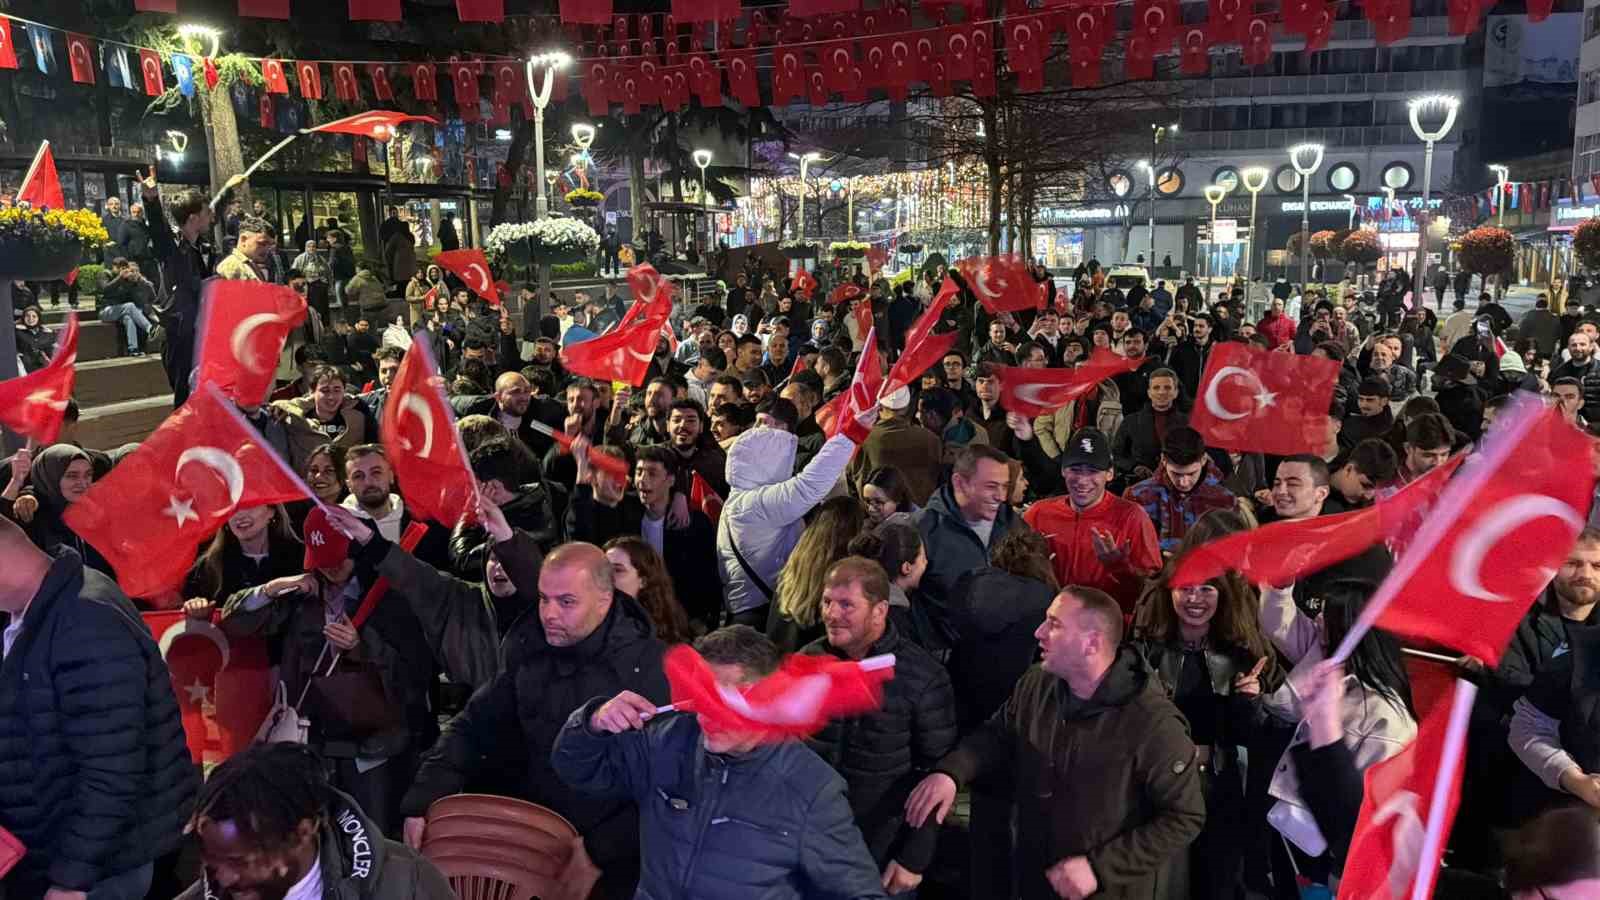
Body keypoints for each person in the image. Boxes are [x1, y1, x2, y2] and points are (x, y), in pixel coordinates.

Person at [400, 542, 667, 900]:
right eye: (543, 598)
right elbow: (473, 725)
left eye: (566, 602)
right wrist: (423, 797)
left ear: (605, 600)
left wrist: (599, 851)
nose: (549, 614)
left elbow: (667, 787)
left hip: (604, 868)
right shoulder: (530, 649)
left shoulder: (652, 670)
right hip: (526, 843)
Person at [906, 587, 1205, 900]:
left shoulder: (1152, 722)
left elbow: (1184, 816)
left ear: (1092, 643)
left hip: (1109, 888)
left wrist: (1099, 868)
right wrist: (951, 773)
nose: (1039, 632)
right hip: (1039, 876)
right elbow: (999, 733)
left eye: (1054, 624)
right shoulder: (1037, 683)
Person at [554, 625, 892, 900]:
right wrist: (592, 722)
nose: (709, 715)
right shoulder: (666, 741)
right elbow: (576, 769)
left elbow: (861, 893)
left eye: (728, 701)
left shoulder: (811, 790)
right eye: (703, 695)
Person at [0, 514, 199, 899]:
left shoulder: (85, 620)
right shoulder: (40, 609)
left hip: (101, 867)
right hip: (57, 850)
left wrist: (71, 880)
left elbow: (111, 768)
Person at [800, 557, 959, 897]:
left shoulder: (923, 677)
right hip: (810, 848)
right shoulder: (807, 663)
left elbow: (937, 775)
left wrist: (914, 857)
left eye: (846, 604)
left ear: (879, 609)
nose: (831, 613)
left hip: (880, 853)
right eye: (827, 601)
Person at [1134, 563, 1276, 899]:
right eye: (1186, 588)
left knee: (1217, 881)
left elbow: (1250, 737)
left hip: (1218, 785)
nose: (1195, 598)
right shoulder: (1146, 650)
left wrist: (1248, 700)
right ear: (1169, 593)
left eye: (1207, 589)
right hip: (1160, 785)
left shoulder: (1239, 654)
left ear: (1221, 596)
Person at [179, 742, 455, 900]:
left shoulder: (409, 885)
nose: (223, 879)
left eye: (241, 862)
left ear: (303, 832)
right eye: (215, 862)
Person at [568, 444, 720, 634]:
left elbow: (709, 576)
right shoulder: (626, 513)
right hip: (634, 623)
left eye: (652, 474)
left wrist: (703, 621)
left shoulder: (692, 523)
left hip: (682, 624)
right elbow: (583, 534)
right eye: (639, 472)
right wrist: (583, 479)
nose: (642, 480)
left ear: (670, 480)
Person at [1018, 426, 1162, 613]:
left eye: (1093, 471)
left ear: (1109, 474)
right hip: (1046, 623)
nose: (1083, 480)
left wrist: (1120, 567)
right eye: (1075, 470)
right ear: (1063, 470)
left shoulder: (1133, 517)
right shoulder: (1037, 514)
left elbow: (1153, 593)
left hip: (1108, 629)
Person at [912, 443, 1028, 616]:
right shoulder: (922, 530)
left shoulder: (1014, 523)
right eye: (991, 486)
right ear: (959, 483)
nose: (1001, 496)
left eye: (1005, 486)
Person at [140, 164, 214, 405]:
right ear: (193, 217)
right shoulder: (171, 248)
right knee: (185, 400)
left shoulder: (203, 248)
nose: (211, 217)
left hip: (200, 332)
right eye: (207, 212)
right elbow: (158, 232)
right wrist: (151, 200)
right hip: (178, 333)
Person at [767, 496, 867, 652]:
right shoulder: (844, 581)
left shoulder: (794, 566)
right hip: (817, 668)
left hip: (781, 665)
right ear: (854, 534)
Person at [1125, 426, 1236, 555]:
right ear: (1164, 460)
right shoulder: (1138, 497)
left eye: (1191, 473)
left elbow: (1233, 553)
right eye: (1176, 474)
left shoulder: (1225, 500)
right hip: (1157, 573)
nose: (1184, 482)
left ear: (1204, 460)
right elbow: (1132, 553)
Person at [849, 387, 945, 506]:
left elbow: (852, 481)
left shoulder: (863, 440)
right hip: (920, 519)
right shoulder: (932, 440)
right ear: (907, 407)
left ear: (879, 407)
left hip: (875, 518)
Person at [272, 365, 377, 470]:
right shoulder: (294, 415)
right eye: (325, 390)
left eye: (337, 390)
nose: (331, 396)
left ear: (344, 391)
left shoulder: (359, 411)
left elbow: (372, 447)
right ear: (312, 392)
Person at [604, 536, 694, 645]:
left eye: (617, 570)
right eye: (603, 569)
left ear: (644, 581)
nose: (606, 576)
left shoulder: (663, 635)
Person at [1111, 369, 1187, 487]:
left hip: (1179, 486)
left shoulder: (1188, 422)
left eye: (1167, 388)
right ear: (1149, 392)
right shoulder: (1131, 421)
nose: (1161, 392)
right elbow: (1116, 454)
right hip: (1140, 487)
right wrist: (1134, 467)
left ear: (1176, 392)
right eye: (1156, 388)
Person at [97, 257, 155, 357]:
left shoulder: (125, 280)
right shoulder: (105, 274)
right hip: (105, 311)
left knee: (129, 318)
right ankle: (150, 329)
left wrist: (138, 280)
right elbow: (105, 290)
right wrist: (119, 278)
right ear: (114, 267)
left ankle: (133, 349)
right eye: (120, 268)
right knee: (129, 306)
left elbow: (139, 296)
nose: (122, 270)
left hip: (120, 310)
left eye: (124, 268)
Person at [215, 216, 275, 281]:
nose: (266, 249)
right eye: (262, 244)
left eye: (269, 245)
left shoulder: (249, 264)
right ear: (243, 240)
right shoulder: (232, 267)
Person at [14, 304, 56, 371]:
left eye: (34, 316)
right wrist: (15, 326)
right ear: (23, 317)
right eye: (27, 316)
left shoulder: (46, 332)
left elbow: (51, 351)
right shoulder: (17, 331)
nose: (30, 319)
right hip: (24, 368)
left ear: (38, 318)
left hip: (41, 368)